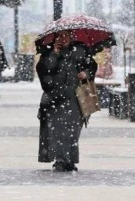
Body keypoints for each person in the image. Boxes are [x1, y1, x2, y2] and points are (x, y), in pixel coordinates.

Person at [36, 30, 97, 172]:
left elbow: (92, 66)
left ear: (71, 36)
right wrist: (54, 54)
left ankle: (69, 160)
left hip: (76, 98)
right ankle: (61, 160)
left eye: (66, 35)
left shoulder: (80, 51)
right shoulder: (48, 54)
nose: (63, 39)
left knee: (73, 131)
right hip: (55, 99)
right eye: (60, 36)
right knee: (59, 130)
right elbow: (44, 72)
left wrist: (86, 73)